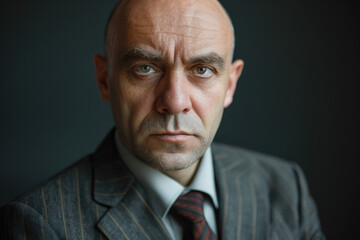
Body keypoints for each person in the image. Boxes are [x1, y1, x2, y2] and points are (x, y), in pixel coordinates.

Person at [0, 0, 325, 239]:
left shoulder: (285, 188)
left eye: (202, 70)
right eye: (145, 68)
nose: (175, 102)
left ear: (230, 84)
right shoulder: (39, 223)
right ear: (104, 79)